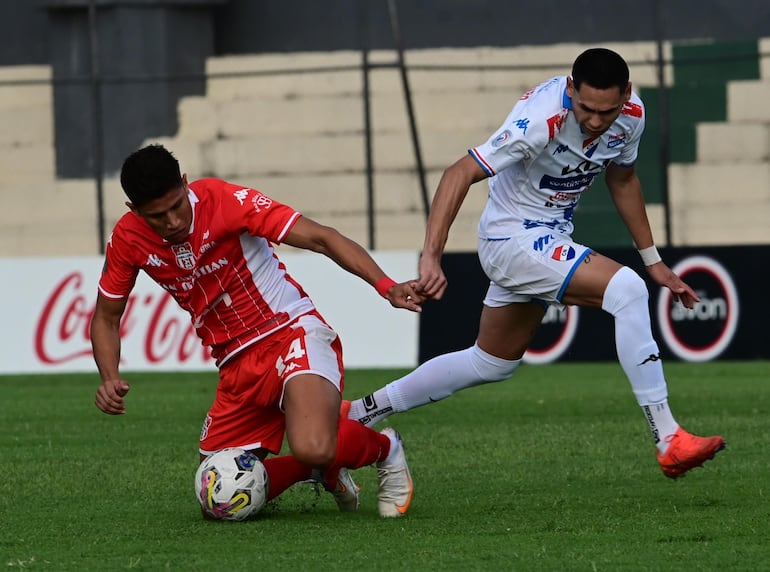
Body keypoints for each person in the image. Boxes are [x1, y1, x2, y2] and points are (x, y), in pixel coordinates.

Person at [345, 48, 725, 479]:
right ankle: (669, 437)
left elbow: (623, 179)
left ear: (627, 95)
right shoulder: (541, 121)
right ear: (569, 89)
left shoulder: (632, 115)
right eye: (586, 109)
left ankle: (360, 412)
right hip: (512, 238)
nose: (597, 121)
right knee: (627, 290)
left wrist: (653, 260)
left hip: (547, 238)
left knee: (490, 362)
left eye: (608, 110)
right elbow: (458, 173)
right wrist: (431, 256)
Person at [90, 143, 416, 518]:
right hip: (235, 364)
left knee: (312, 444)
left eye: (177, 206)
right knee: (217, 490)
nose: (173, 222)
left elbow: (321, 237)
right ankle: (315, 466)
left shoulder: (225, 201)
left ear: (185, 183)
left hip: (290, 331)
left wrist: (385, 285)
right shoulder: (128, 239)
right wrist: (109, 377)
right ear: (134, 211)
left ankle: (385, 447)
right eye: (157, 216)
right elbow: (106, 318)